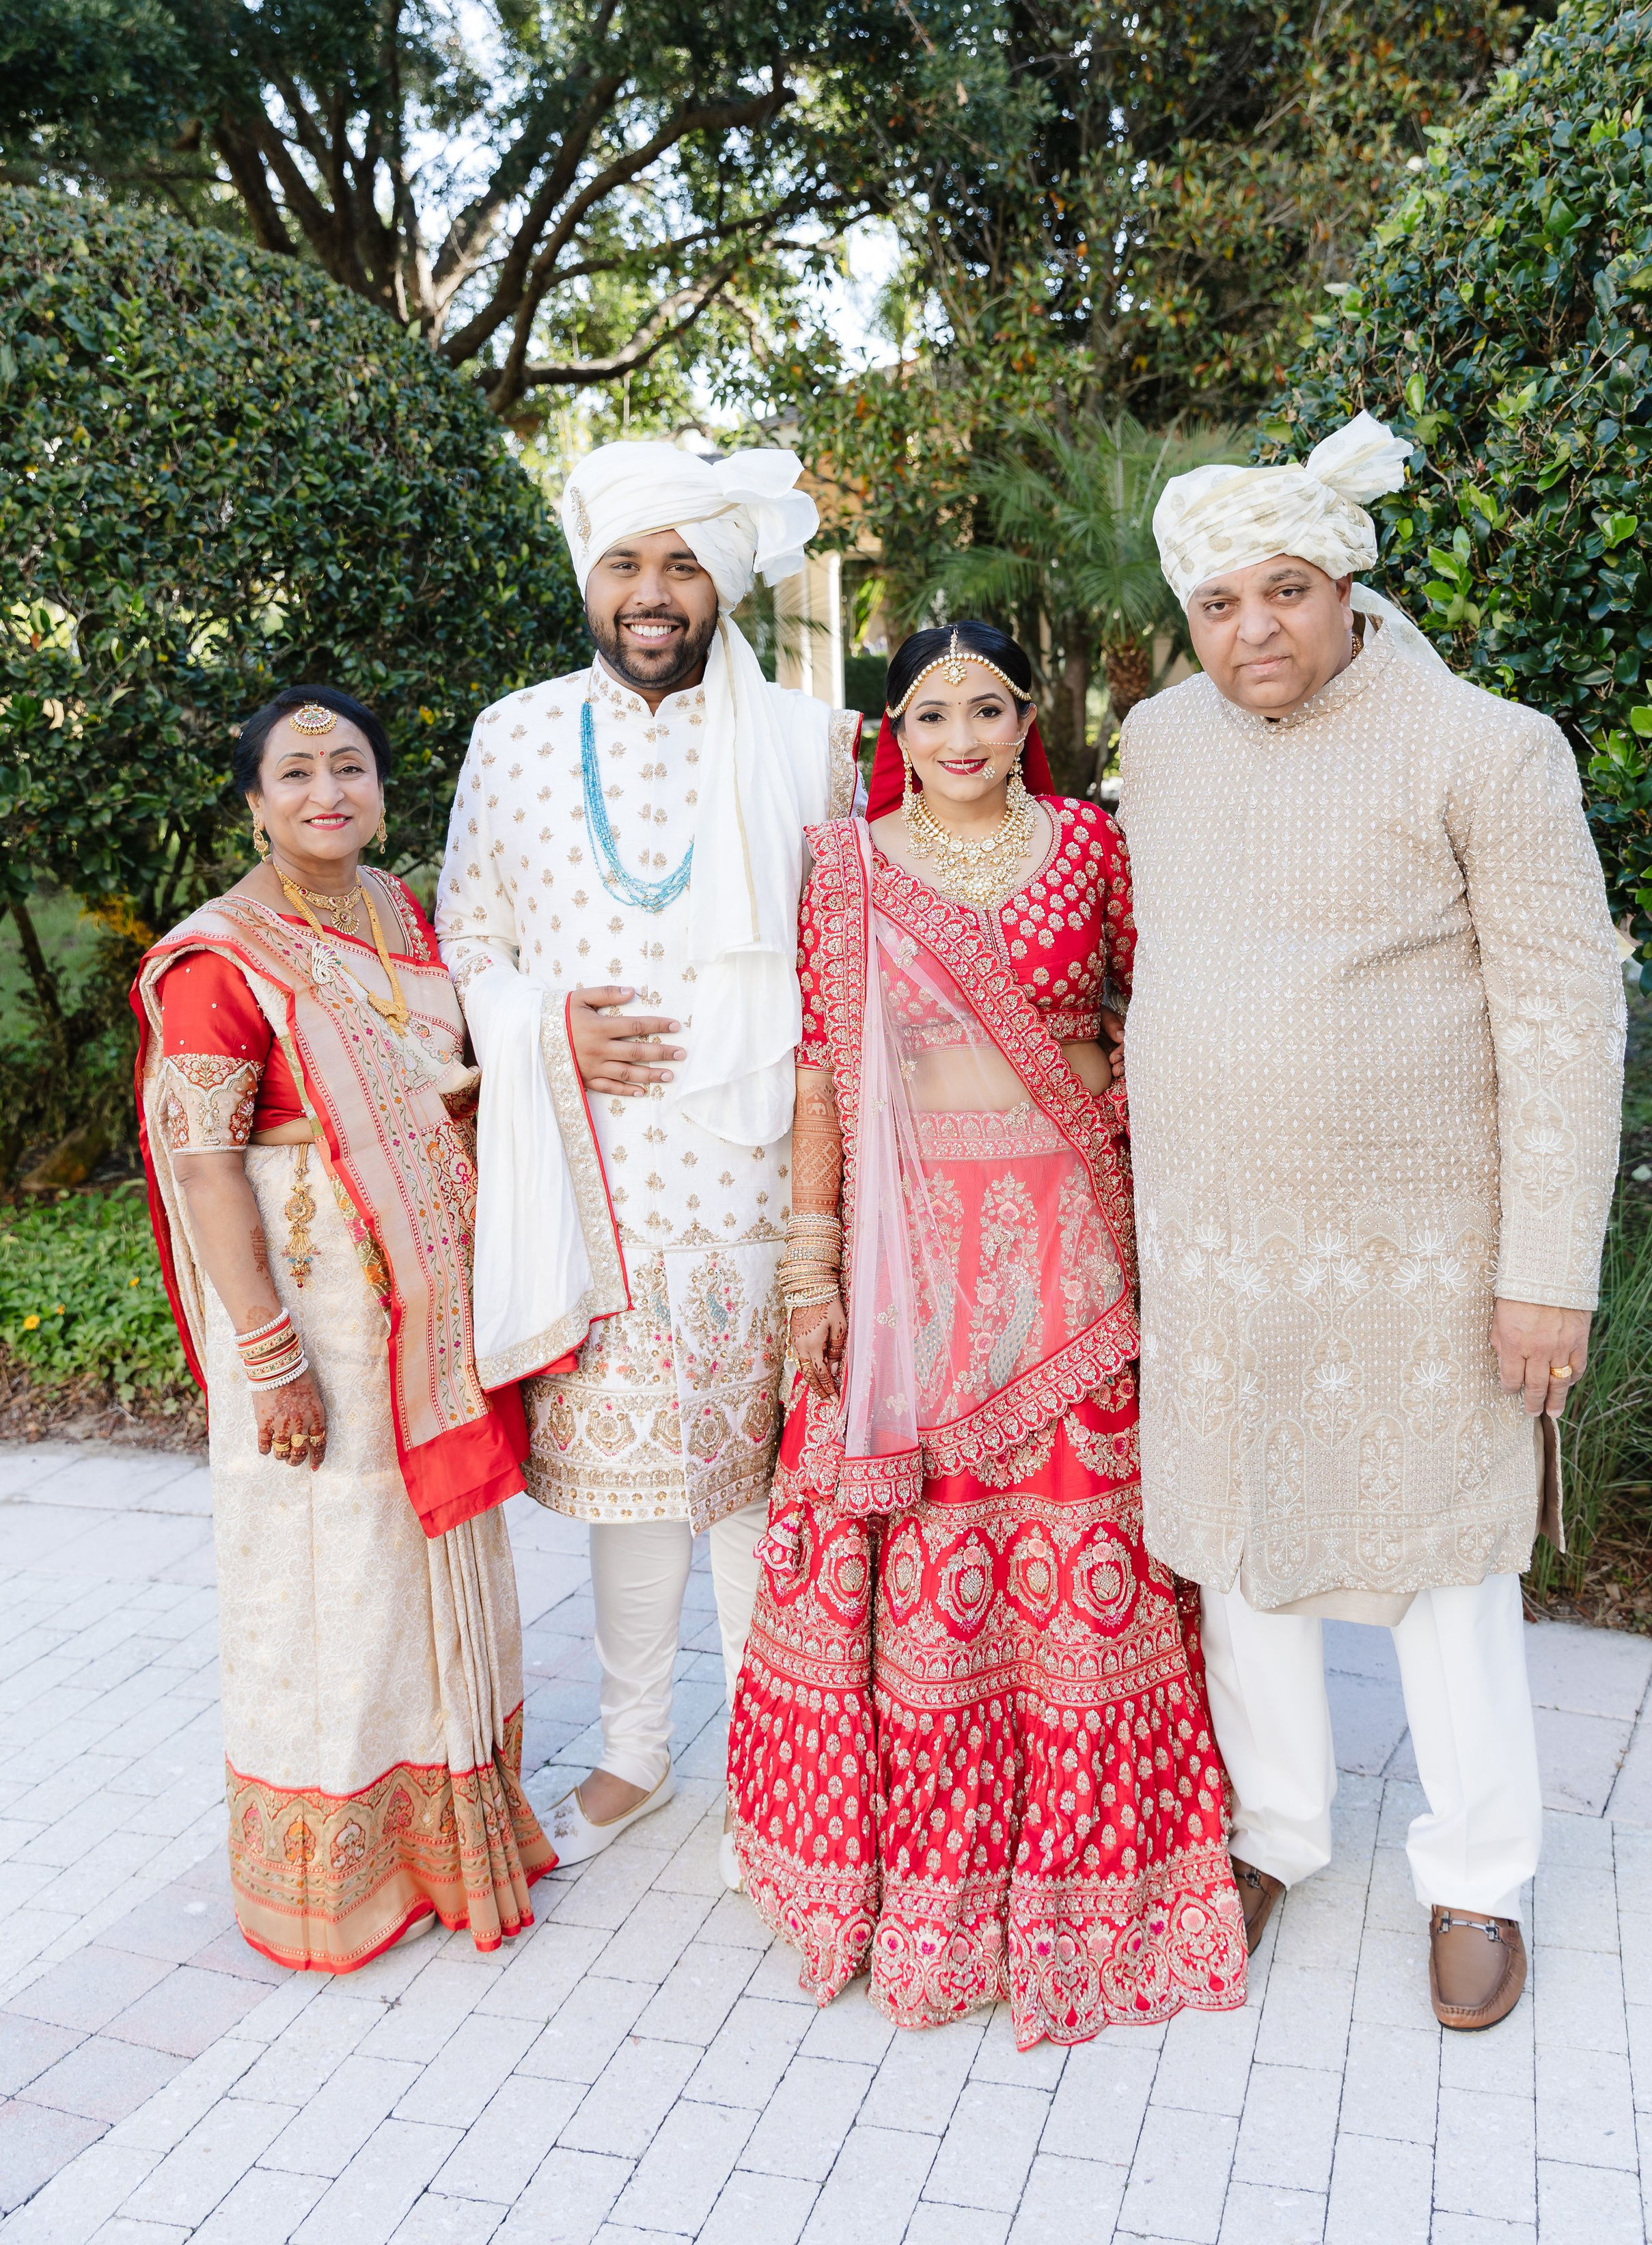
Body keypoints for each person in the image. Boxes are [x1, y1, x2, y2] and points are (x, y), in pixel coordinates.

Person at [1120, 412, 1626, 2031]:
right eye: (1217, 603)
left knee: (1441, 1562)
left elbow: (1562, 1027)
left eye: (1283, 591)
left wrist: (1544, 1274)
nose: (1250, 630)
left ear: (1344, 585)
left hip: (1419, 1256)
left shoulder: (1487, 745)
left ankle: (1477, 1871)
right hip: (1212, 1245)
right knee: (1243, 1542)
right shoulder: (1157, 743)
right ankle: (1275, 1826)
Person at [727, 621, 1246, 2049]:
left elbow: (1167, 1013)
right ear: (894, 726)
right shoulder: (846, 866)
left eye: (989, 708)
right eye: (931, 710)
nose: (960, 735)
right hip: (909, 1262)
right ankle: (923, 1890)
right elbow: (827, 1068)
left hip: (1070, 1229)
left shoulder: (1091, 846)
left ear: (1029, 722)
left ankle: (1090, 1881)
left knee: (1079, 1539)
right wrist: (813, 1268)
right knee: (924, 1538)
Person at [436, 443, 862, 1885]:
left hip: (753, 1178)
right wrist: (540, 1027)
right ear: (591, 579)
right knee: (630, 1484)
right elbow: (465, 944)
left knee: (750, 1479)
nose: (653, 592)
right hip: (591, 1165)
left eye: (682, 564)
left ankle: (768, 1755)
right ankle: (631, 1742)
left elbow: (847, 956)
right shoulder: (512, 736)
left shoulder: (806, 743)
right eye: (627, 562)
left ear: (719, 587)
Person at [133, 685, 552, 1973]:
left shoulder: (395, 910)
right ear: (255, 804)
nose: (329, 793)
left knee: (432, 1564)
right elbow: (203, 1166)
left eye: (351, 767)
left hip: (421, 1301)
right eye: (298, 773)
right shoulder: (219, 957)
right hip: (312, 1304)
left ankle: (448, 1832)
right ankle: (335, 1878)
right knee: (327, 1575)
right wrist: (271, 1360)